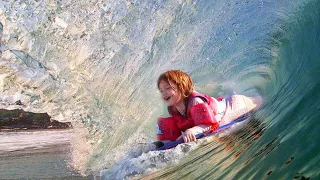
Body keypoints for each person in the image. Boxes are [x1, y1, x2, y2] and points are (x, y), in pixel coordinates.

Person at [153, 70, 262, 149]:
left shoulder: (195, 101)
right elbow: (174, 139)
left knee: (258, 132)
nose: (164, 93)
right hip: (222, 120)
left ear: (181, 88)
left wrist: (191, 131)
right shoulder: (173, 110)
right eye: (161, 90)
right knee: (240, 147)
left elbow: (208, 125)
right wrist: (158, 145)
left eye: (168, 88)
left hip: (235, 107)